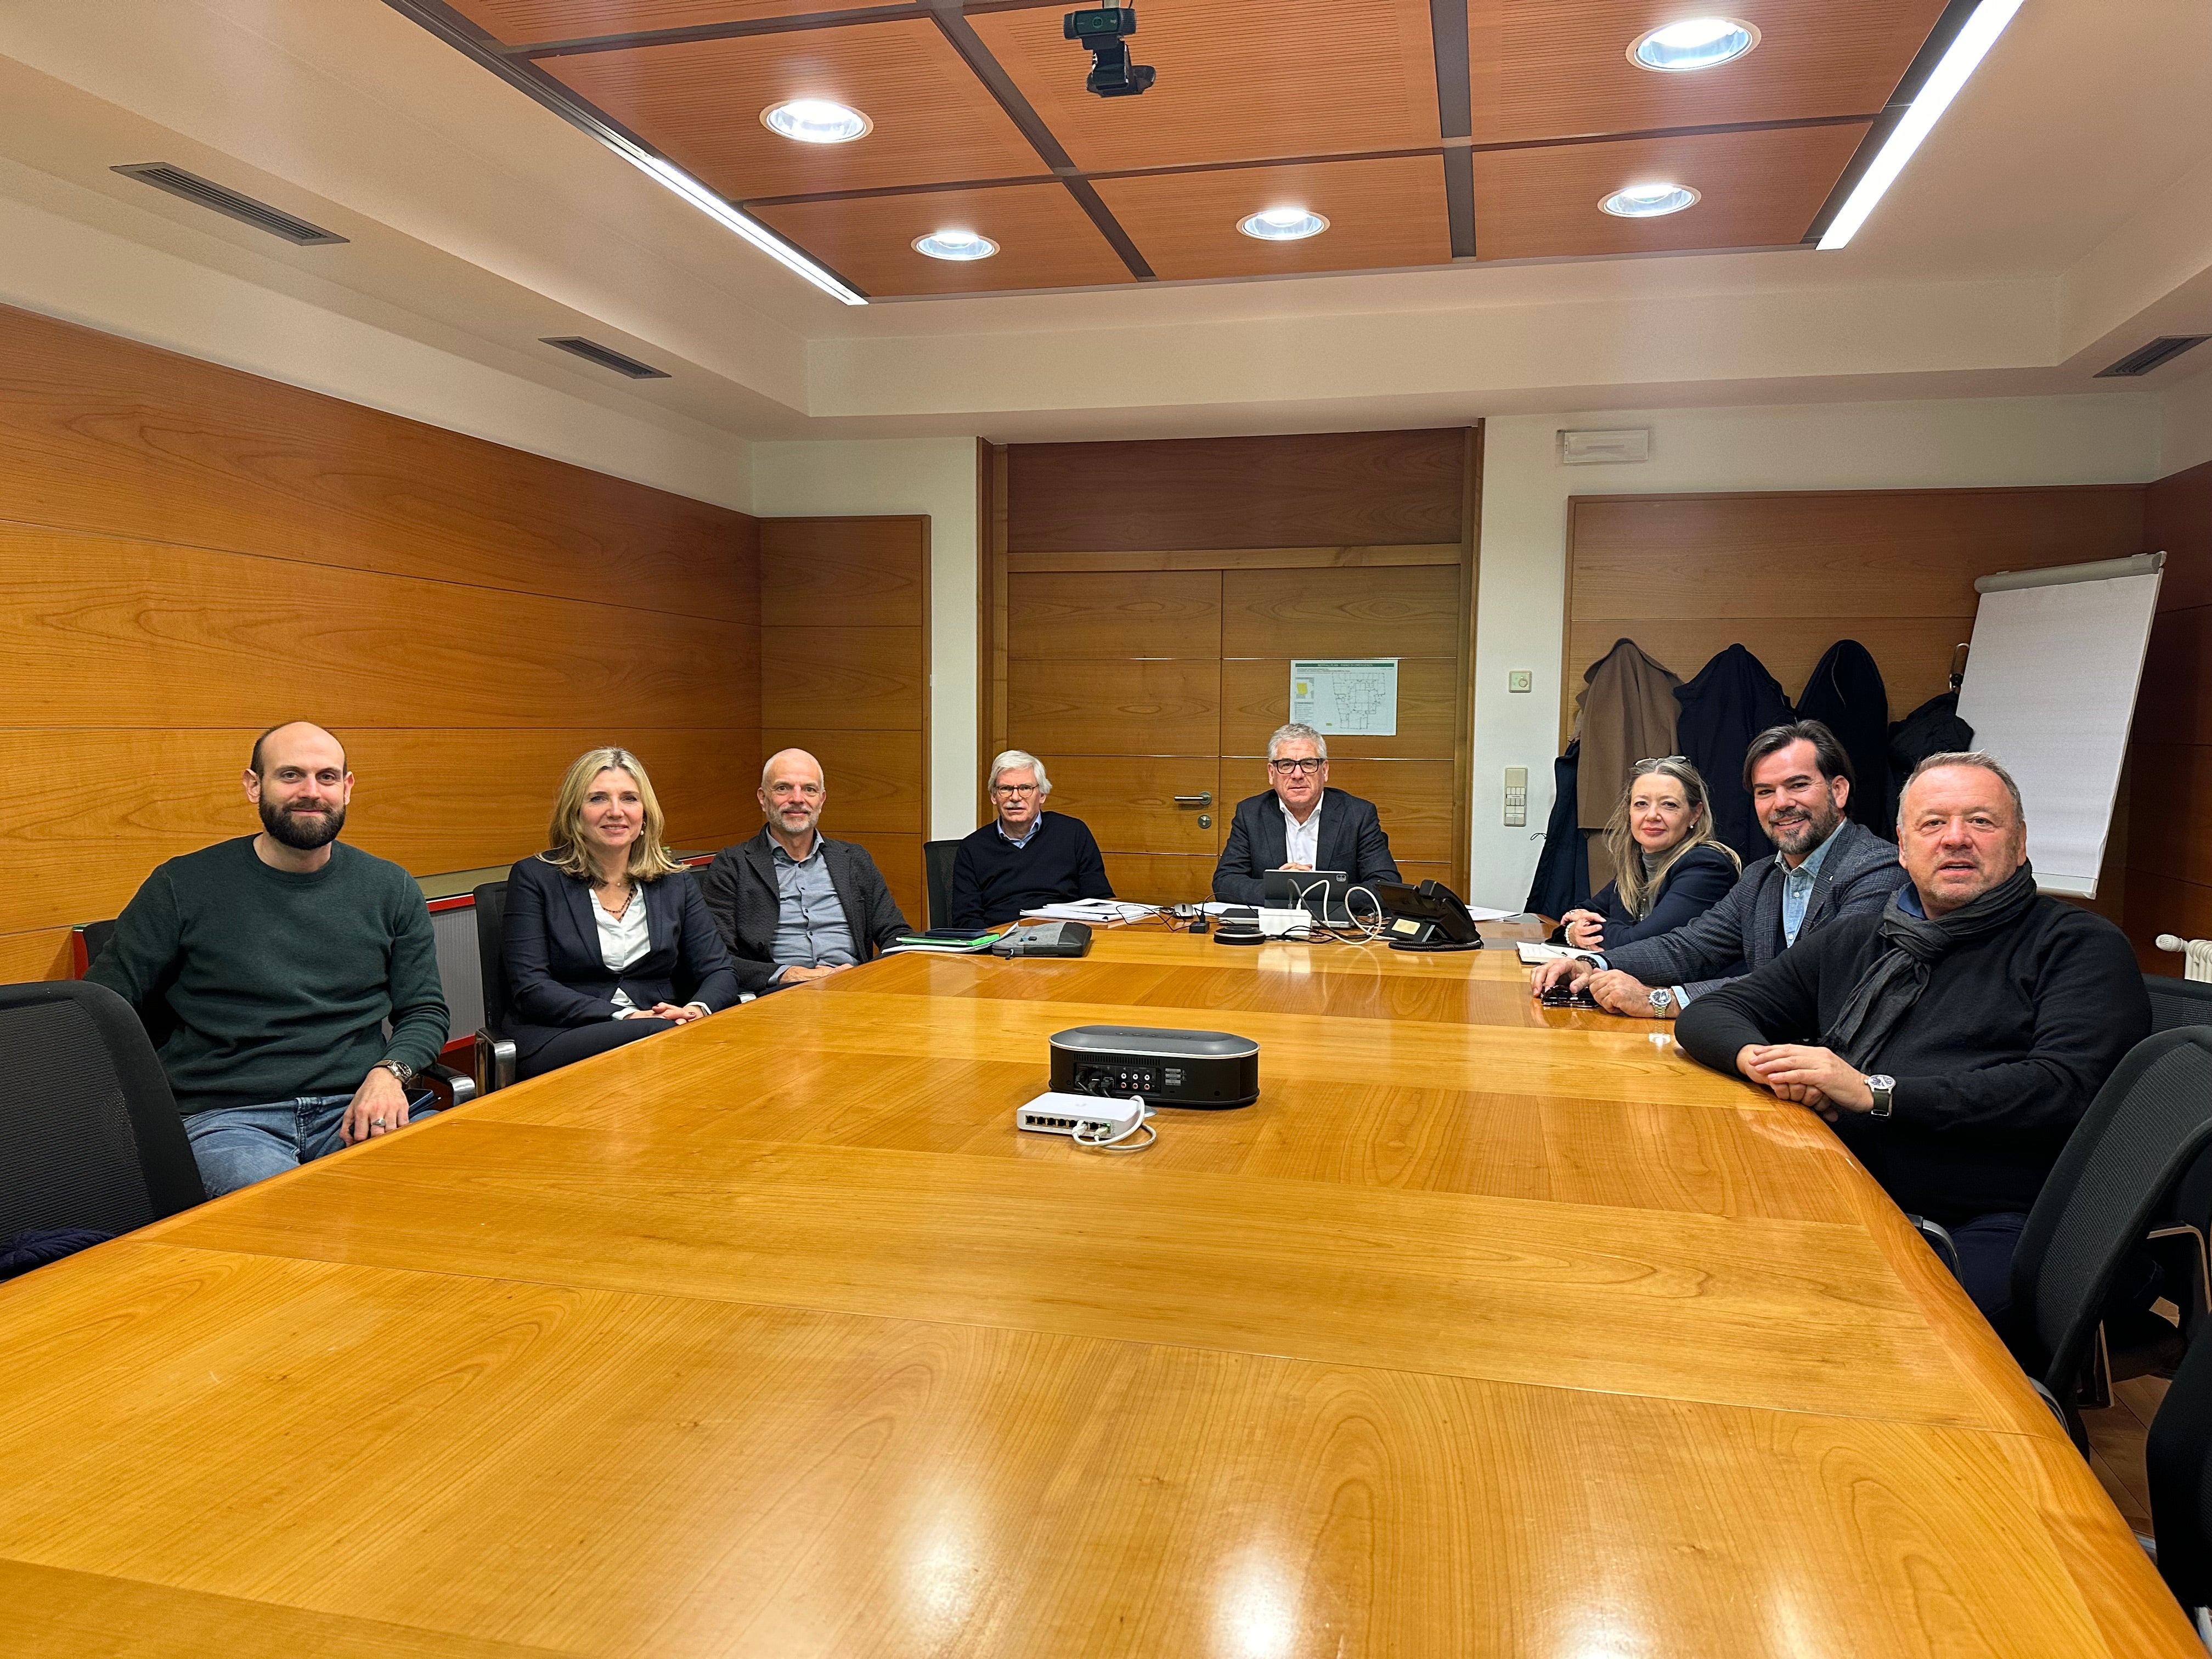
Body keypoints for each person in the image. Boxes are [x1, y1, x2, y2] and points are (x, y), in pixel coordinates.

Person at [1674, 752, 2148, 1329]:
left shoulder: (2079, 947)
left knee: (1868, 1326)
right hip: (1849, 1185)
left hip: (2007, 1217)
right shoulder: (1859, 939)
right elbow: (1718, 1011)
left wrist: (1874, 1092)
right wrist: (1762, 1060)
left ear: (2019, 843)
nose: (1955, 839)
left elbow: (2064, 1089)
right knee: (1700, 1275)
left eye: (1981, 822)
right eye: (1932, 824)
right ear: (1903, 848)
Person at [86, 721, 449, 1197]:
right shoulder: (182, 886)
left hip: (356, 1104)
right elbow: (101, 1008)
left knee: (447, 1187)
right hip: (228, 1121)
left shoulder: (391, 888)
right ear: (254, 786)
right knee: (289, 1214)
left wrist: (389, 1074)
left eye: (327, 777)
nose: (311, 792)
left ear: (347, 787)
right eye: (291, 775)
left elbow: (424, 1010)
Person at [1531, 720, 1905, 1017]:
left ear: (1838, 791)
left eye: (1798, 785)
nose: (1781, 803)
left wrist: (1664, 1000)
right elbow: (1688, 948)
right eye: (1765, 792)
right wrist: (1590, 963)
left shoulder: (1876, 869)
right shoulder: (1763, 877)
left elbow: (1813, 983)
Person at [502, 747, 741, 1080]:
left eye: (629, 798)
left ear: (644, 814)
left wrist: (695, 1010)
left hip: (665, 1026)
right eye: (598, 799)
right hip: (560, 1033)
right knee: (671, 1044)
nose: (616, 812)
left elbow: (719, 971)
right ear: (575, 814)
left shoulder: (675, 881)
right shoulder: (535, 878)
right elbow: (531, 988)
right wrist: (627, 1018)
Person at [698, 748, 908, 992]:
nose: (797, 799)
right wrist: (786, 974)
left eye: (809, 789)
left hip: (855, 989)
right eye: (783, 788)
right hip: (778, 997)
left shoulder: (853, 860)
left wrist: (865, 973)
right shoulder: (733, 865)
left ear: (822, 799)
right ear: (763, 798)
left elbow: (897, 934)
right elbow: (715, 956)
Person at [1555, 757, 1740, 951]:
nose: (1652, 815)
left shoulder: (1706, 866)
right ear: (1629, 812)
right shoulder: (1640, 865)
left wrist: (1583, 927)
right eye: (1641, 804)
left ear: (1695, 814)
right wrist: (1573, 932)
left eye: (1669, 805)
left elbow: (1639, 945)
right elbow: (1577, 913)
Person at [1212, 723, 1401, 905]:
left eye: (1308, 764)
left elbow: (1385, 886)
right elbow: (1225, 881)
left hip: (1335, 928)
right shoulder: (1251, 814)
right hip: (1271, 926)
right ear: (1272, 773)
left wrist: (1315, 891)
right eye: (1286, 765)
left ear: (1324, 771)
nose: (1297, 775)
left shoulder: (1358, 815)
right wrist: (1281, 889)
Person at [947, 749, 1112, 928]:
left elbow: (1099, 902)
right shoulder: (972, 848)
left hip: (1065, 936)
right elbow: (966, 919)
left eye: (1026, 788)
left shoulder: (1073, 833)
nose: (1015, 798)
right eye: (1005, 789)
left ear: (1042, 795)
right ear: (993, 796)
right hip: (999, 942)